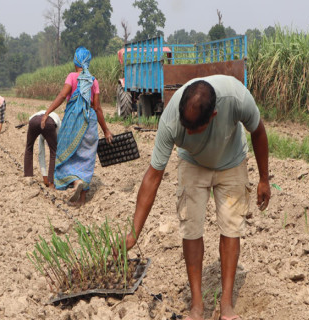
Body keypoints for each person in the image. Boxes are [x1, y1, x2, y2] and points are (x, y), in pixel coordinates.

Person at [124, 75, 271, 320]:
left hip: (231, 161)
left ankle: (226, 306)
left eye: (194, 128)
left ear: (213, 115)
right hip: (192, 163)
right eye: (186, 125)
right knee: (191, 228)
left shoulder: (236, 98)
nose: (188, 132)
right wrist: (133, 232)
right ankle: (197, 306)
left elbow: (258, 131)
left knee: (231, 228)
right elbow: (152, 177)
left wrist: (264, 179)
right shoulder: (171, 120)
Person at [41, 46, 113, 206]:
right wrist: (106, 130)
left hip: (73, 123)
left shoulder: (72, 77)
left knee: (64, 153)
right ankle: (82, 199)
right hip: (90, 124)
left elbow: (61, 96)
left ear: (76, 62)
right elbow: (98, 107)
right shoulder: (94, 81)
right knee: (87, 159)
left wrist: (47, 112)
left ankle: (74, 182)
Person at [24, 110, 61, 187]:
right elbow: (56, 148)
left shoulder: (44, 133)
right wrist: (46, 178)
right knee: (54, 152)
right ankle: (51, 182)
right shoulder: (59, 129)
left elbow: (41, 152)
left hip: (33, 121)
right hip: (48, 122)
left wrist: (44, 177)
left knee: (29, 147)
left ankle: (28, 177)